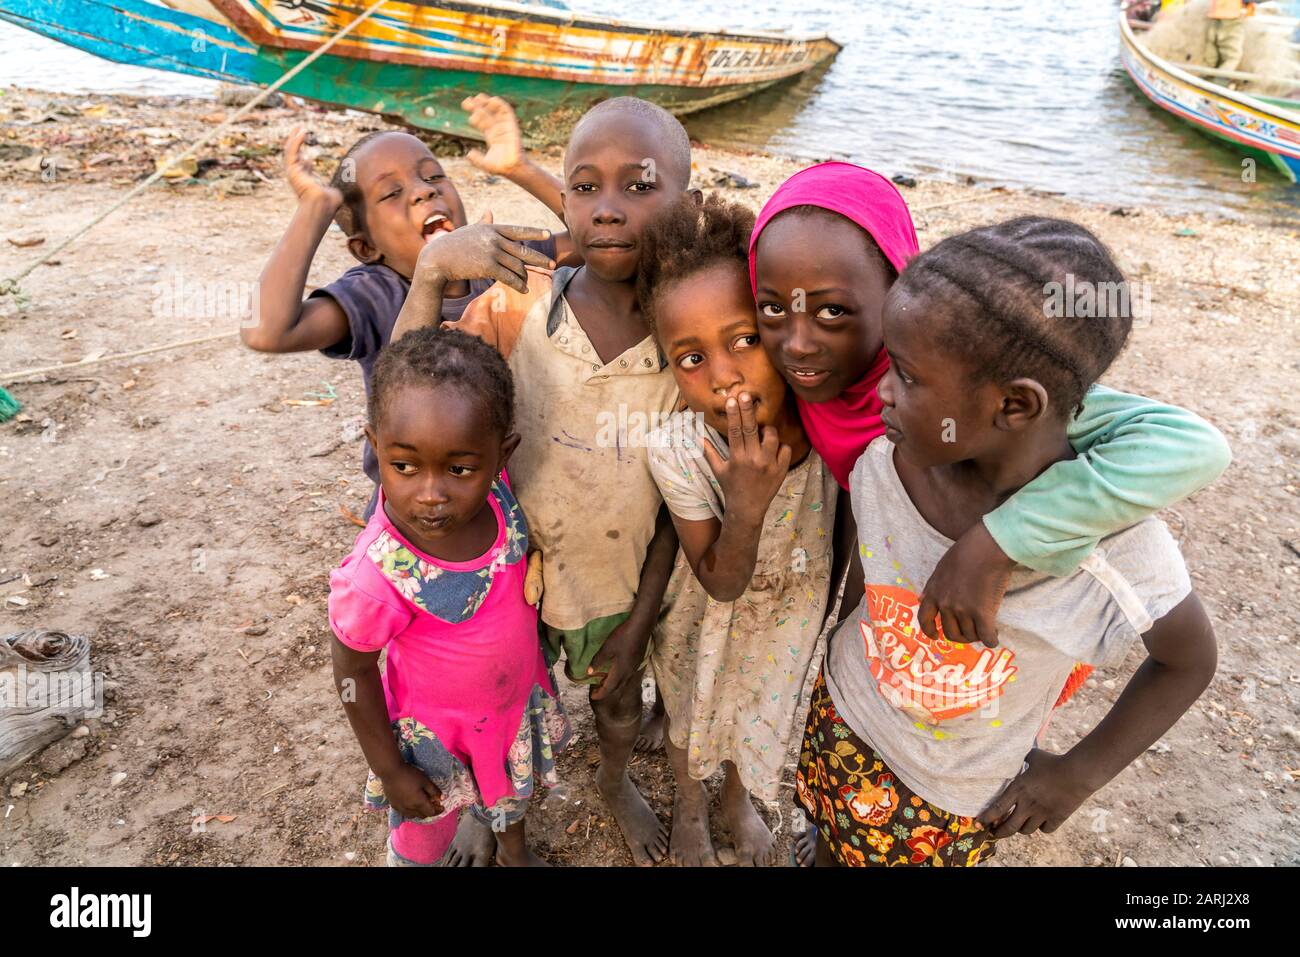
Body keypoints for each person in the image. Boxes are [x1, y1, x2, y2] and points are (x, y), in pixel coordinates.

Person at [747, 161, 1231, 863]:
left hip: (951, 792)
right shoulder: (890, 462)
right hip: (847, 717)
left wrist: (1078, 774)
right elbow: (871, 575)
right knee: (825, 838)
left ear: (1014, 404)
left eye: (906, 375)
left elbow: (1188, 662)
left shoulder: (1112, 548)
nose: (880, 388)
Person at [392, 97, 696, 866]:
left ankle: (614, 777)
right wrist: (429, 274)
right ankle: (483, 803)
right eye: (586, 188)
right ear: (564, 198)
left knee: (617, 700)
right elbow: (405, 393)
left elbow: (676, 506)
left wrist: (644, 614)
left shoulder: (688, 336)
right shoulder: (520, 305)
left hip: (619, 580)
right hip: (503, 576)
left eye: (639, 186)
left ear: (686, 205)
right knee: (490, 703)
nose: (608, 210)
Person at [241, 96, 566, 520]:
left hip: (507, 481)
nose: (423, 190)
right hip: (416, 507)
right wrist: (315, 209)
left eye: (434, 176)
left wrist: (518, 167)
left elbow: (604, 237)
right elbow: (266, 331)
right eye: (392, 193)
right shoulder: (373, 295)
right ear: (366, 247)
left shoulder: (497, 255)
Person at [636, 194, 837, 866]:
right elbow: (719, 581)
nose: (723, 375)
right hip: (705, 619)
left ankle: (735, 799)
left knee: (757, 708)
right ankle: (692, 803)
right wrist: (745, 502)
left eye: (744, 339)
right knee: (693, 711)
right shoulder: (678, 448)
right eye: (690, 358)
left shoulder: (825, 422)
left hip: (787, 618)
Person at [328, 327, 570, 866]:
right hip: (432, 739)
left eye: (460, 469)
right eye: (405, 466)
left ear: (501, 455)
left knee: (509, 792)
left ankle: (513, 851)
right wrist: (391, 770)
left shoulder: (502, 497)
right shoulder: (378, 574)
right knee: (424, 833)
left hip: (508, 710)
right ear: (376, 448)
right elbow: (351, 671)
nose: (431, 493)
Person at [1205, 0, 1257, 74]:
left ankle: (1206, 77)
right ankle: (1219, 81)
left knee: (1212, 55)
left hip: (1216, 15)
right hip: (1232, 17)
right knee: (1232, 57)